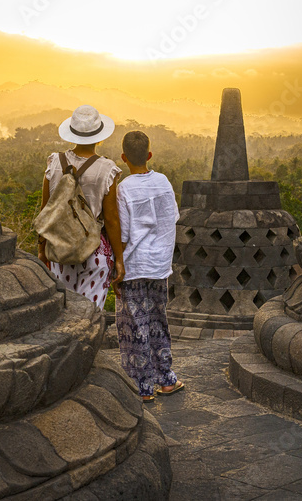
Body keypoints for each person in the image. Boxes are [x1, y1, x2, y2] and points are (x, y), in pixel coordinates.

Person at [113, 130, 183, 402]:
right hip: (158, 266)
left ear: (123, 158)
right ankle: (166, 379)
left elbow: (124, 233)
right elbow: (171, 218)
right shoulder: (164, 182)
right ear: (149, 155)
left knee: (134, 327)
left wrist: (117, 267)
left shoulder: (124, 189)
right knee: (157, 321)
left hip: (133, 266)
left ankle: (142, 387)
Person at [38, 105, 124, 309]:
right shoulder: (107, 169)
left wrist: (42, 250)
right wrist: (119, 260)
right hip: (94, 251)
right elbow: (111, 219)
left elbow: (46, 212)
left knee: (65, 312)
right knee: (90, 315)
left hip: (61, 250)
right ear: (99, 136)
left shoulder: (54, 163)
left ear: (72, 134)